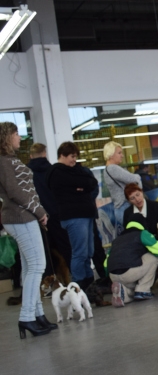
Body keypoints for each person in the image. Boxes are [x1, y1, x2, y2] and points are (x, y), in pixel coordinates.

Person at [0, 123, 55, 338]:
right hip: (21, 218)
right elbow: (15, 192)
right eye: (15, 134)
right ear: (6, 137)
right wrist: (40, 211)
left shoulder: (10, 160)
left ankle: (38, 314)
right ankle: (26, 317)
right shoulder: (4, 162)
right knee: (37, 266)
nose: (19, 137)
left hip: (23, 217)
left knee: (29, 267)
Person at [46, 142, 98, 290]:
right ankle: (78, 284)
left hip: (86, 214)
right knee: (79, 252)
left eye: (75, 157)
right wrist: (80, 187)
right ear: (62, 155)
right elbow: (80, 182)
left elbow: (91, 182)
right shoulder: (56, 172)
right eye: (72, 156)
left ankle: (89, 284)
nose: (74, 160)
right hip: (74, 216)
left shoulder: (75, 170)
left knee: (88, 252)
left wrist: (79, 188)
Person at [26, 143, 72, 276]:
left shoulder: (27, 173)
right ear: (45, 154)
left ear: (30, 156)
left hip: (38, 217)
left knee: (44, 251)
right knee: (65, 248)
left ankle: (49, 281)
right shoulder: (54, 171)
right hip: (57, 215)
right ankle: (72, 277)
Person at [108, 214, 158, 306]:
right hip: (129, 273)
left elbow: (105, 263)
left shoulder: (117, 239)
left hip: (113, 276)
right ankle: (143, 290)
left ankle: (124, 293)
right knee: (154, 257)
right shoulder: (142, 233)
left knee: (129, 285)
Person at [102, 141, 141, 233]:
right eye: (119, 153)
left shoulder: (107, 169)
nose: (122, 156)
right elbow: (134, 179)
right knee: (137, 235)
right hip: (125, 206)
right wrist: (138, 177)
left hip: (120, 207)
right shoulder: (113, 168)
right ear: (111, 154)